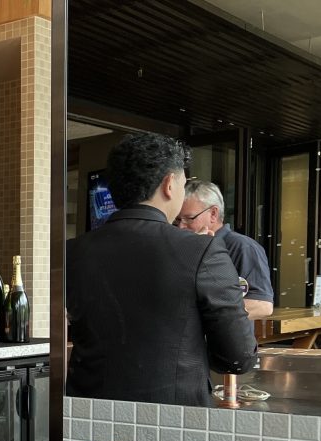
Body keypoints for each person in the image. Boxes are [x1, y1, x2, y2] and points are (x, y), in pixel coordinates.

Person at [66, 133, 258, 407]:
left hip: (87, 411)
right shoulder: (202, 250)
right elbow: (238, 356)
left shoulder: (71, 252)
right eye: (183, 183)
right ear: (169, 184)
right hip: (170, 420)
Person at [176, 179, 274, 320]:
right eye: (177, 220)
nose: (181, 227)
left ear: (213, 214)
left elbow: (262, 305)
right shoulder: (183, 246)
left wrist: (202, 317)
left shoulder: (243, 247)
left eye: (189, 218)